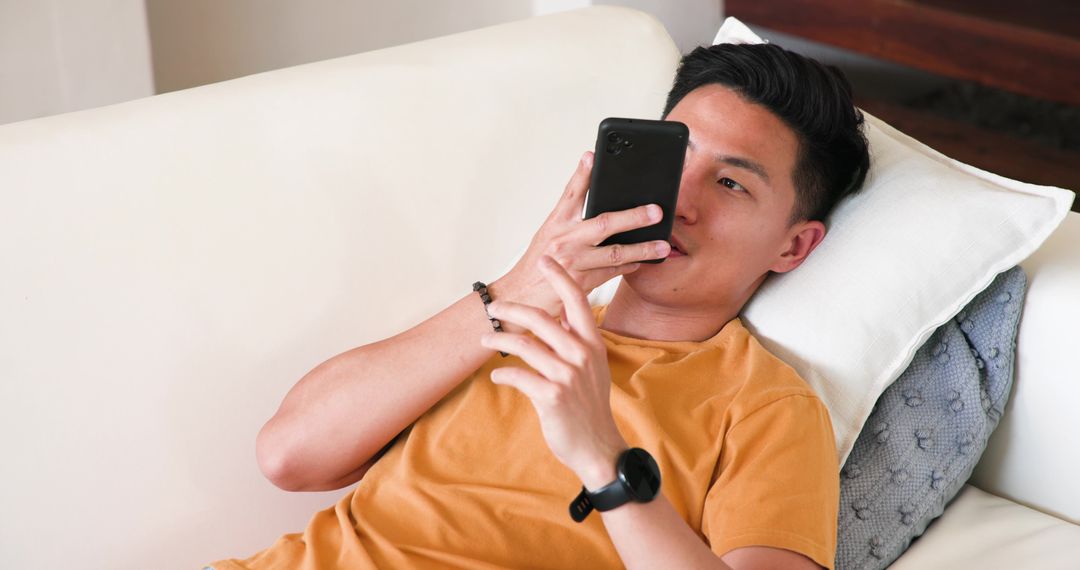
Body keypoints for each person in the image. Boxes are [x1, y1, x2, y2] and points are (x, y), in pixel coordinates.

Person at [208, 41, 869, 570]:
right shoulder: (505, 318)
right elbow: (287, 455)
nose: (681, 201)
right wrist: (522, 287)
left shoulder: (767, 409)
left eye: (730, 183)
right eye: (675, 155)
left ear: (793, 246)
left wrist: (604, 460)